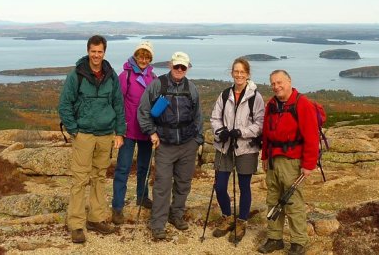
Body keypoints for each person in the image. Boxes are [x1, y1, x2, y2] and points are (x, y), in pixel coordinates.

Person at [58, 35, 125, 244]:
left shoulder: (110, 75)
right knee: (80, 179)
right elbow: (64, 105)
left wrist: (119, 132)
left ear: (104, 52)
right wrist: (74, 130)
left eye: (100, 51)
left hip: (105, 134)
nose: (97, 55)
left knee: (98, 177)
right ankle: (77, 224)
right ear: (88, 51)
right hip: (84, 134)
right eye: (93, 51)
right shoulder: (76, 75)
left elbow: (118, 105)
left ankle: (96, 218)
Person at [137, 51, 203, 240]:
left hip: (187, 143)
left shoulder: (191, 88)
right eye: (177, 66)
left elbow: (198, 115)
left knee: (183, 184)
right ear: (170, 65)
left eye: (183, 67)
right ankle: (158, 223)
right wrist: (151, 131)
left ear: (187, 68)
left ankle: (176, 215)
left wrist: (197, 140)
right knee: (162, 185)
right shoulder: (158, 85)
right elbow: (143, 111)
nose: (180, 70)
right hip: (165, 144)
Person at [258, 70, 319, 255]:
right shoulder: (271, 104)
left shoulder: (302, 104)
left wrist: (308, 164)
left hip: (292, 161)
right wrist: (265, 157)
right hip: (273, 159)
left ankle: (298, 242)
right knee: (273, 200)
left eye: (280, 82)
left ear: (289, 81)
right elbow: (266, 133)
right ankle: (275, 238)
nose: (276, 86)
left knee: (293, 203)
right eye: (273, 84)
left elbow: (311, 137)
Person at [210, 57, 264, 243]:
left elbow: (260, 124)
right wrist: (220, 132)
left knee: (244, 186)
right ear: (232, 73)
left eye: (242, 72)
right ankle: (227, 217)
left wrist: (242, 132)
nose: (239, 75)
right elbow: (215, 118)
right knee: (220, 186)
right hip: (224, 146)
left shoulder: (255, 97)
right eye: (236, 71)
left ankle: (241, 221)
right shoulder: (225, 95)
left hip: (246, 147)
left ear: (248, 74)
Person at [111, 41, 156, 225]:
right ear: (135, 56)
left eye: (147, 57)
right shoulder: (125, 76)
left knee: (144, 168)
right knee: (123, 168)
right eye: (140, 56)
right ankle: (117, 207)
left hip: (146, 131)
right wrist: (118, 131)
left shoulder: (153, 78)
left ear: (150, 59)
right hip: (128, 131)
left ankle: (142, 197)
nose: (143, 60)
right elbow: (118, 103)